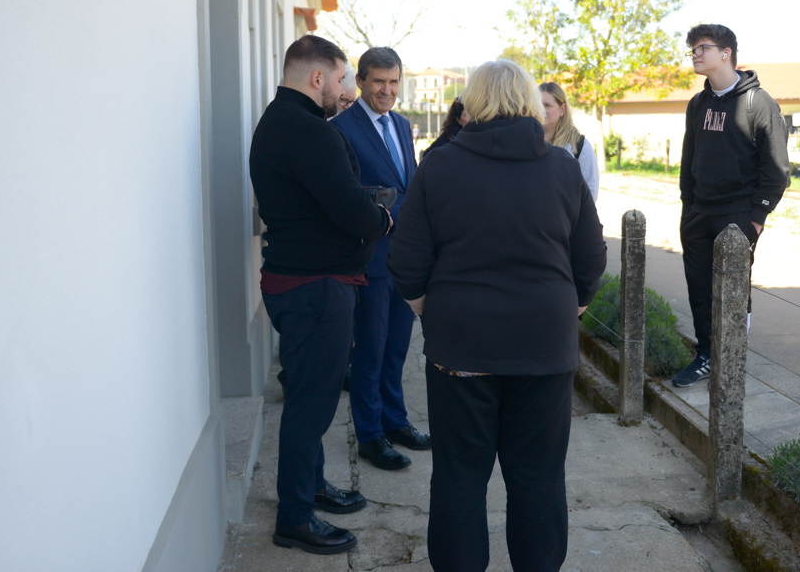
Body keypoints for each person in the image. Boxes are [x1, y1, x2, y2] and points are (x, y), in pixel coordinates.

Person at [387, 59, 607, 571]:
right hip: (544, 347)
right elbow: (591, 259)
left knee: (460, 475)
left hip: (461, 347)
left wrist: (433, 313)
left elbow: (406, 261)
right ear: (530, 103)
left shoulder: (439, 166)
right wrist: (567, 309)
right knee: (538, 475)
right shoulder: (562, 168)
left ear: (473, 102)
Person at [249, 34, 393, 555]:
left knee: (307, 395)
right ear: (317, 77)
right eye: (340, 79)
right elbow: (351, 209)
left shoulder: (278, 121)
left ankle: (309, 486)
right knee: (311, 407)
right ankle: (295, 519)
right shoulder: (309, 130)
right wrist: (382, 218)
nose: (345, 91)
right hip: (316, 289)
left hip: (302, 283)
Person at [672, 24, 789, 387]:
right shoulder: (697, 104)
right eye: (692, 49)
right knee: (699, 290)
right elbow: (688, 160)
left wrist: (757, 219)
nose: (694, 54)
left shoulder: (758, 103)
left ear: (726, 53)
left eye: (701, 48)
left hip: (738, 216)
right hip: (698, 215)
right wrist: (688, 208)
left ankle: (731, 358)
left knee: (733, 291)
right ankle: (706, 356)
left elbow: (776, 169)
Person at [331, 47, 430, 471]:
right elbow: (346, 196)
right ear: (360, 81)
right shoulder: (340, 129)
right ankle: (370, 436)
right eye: (378, 82)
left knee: (396, 351)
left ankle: (395, 421)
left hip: (404, 261)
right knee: (370, 354)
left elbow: (407, 186)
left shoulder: (403, 125)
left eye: (393, 82)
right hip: (369, 260)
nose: (387, 90)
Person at [539, 82, 599, 200]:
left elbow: (591, 193)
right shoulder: (525, 143)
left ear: (562, 109)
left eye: (547, 105)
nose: (541, 110)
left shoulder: (579, 146)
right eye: (537, 104)